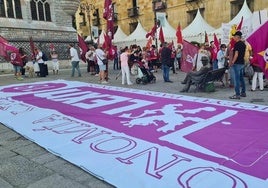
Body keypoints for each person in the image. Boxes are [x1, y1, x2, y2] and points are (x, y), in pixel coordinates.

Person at [229, 31, 246, 99]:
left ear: (237, 37)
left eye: (234, 36)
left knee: (237, 79)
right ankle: (243, 92)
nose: (233, 37)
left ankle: (237, 94)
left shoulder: (237, 44)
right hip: (242, 62)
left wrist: (232, 62)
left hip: (237, 63)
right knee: (241, 79)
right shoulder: (243, 44)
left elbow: (236, 54)